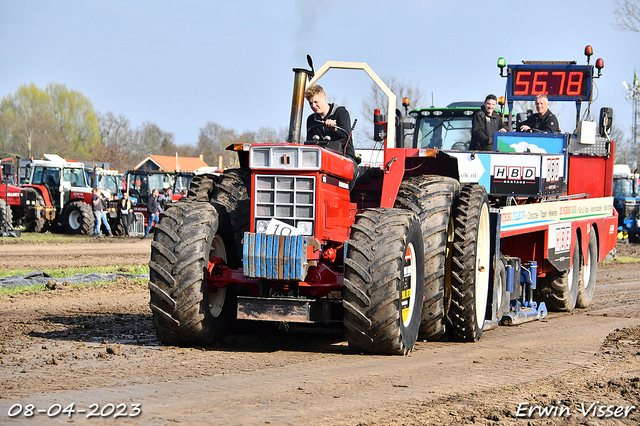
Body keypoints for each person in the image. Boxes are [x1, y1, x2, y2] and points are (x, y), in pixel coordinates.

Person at [304, 84, 358, 189]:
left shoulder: (341, 113)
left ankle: (345, 196)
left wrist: (335, 128)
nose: (313, 105)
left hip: (343, 156)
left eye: (316, 102)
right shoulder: (311, 119)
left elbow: (346, 133)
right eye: (310, 103)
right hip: (320, 159)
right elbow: (309, 143)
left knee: (352, 169)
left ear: (324, 98)